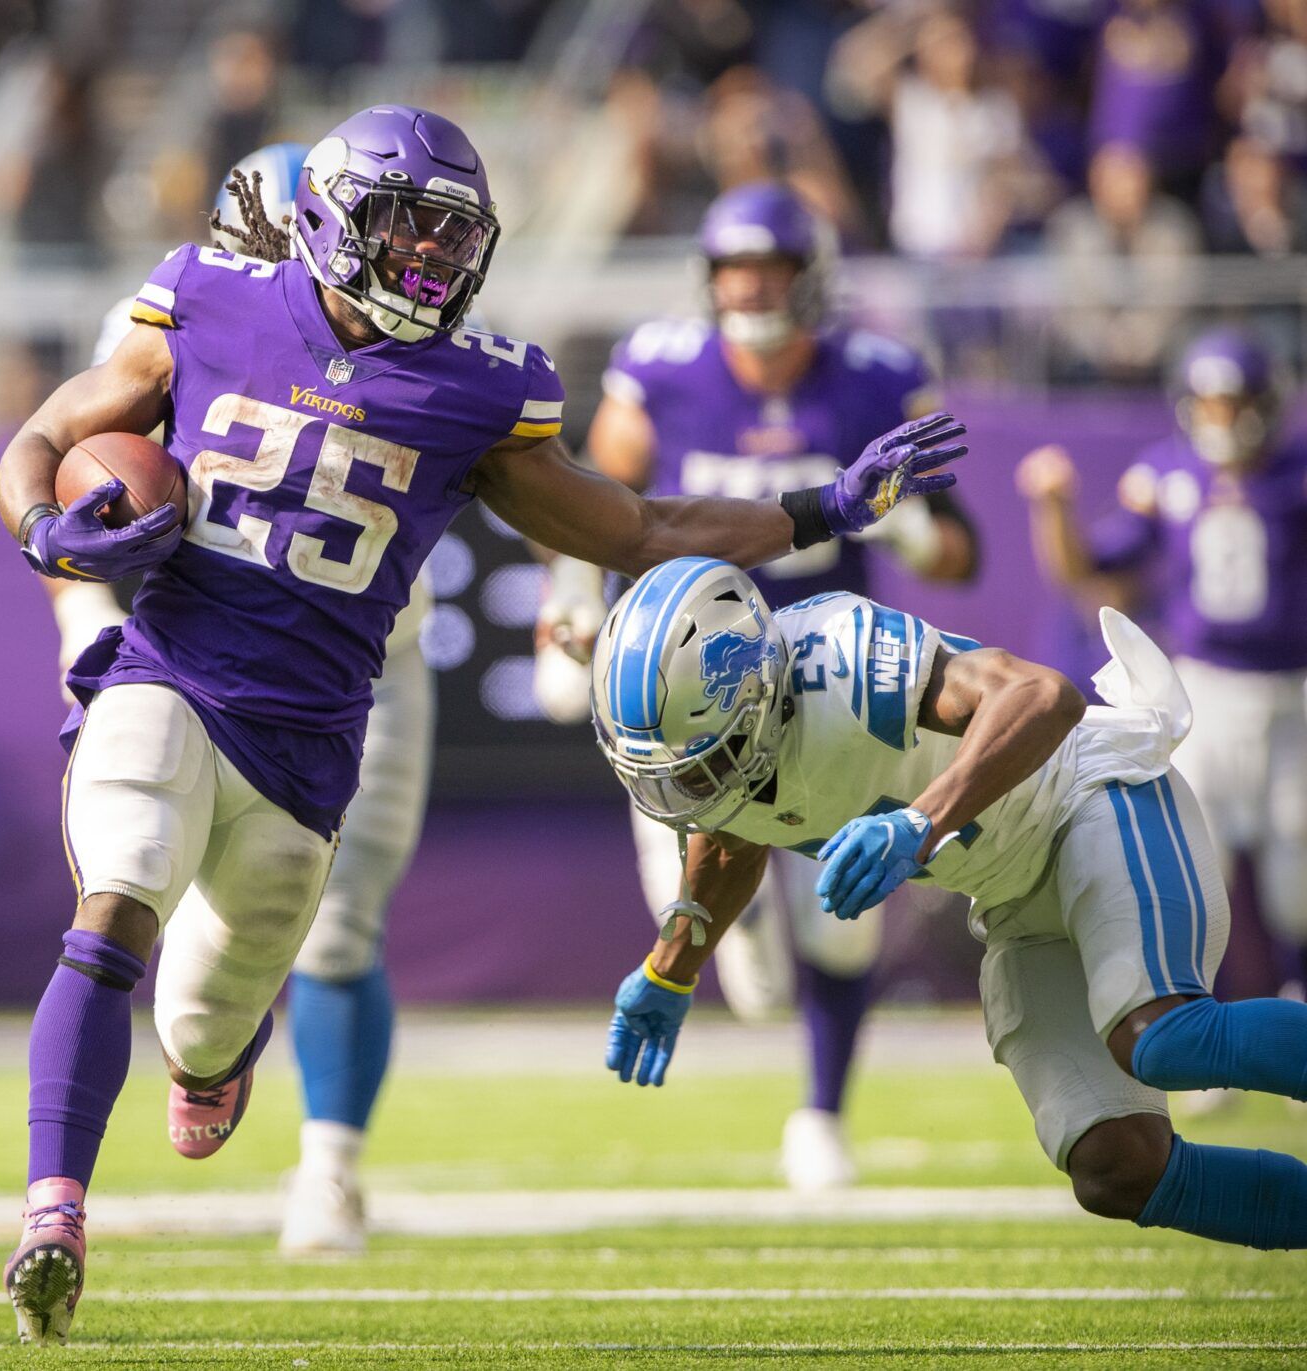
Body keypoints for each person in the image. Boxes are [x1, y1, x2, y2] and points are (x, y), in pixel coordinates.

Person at [0, 104, 969, 1345]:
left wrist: (825, 506)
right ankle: (54, 1212)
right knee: (114, 903)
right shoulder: (206, 299)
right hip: (169, 671)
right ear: (329, 220)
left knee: (203, 1022)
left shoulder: (476, 387)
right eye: (406, 227)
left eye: (451, 236)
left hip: (308, 745)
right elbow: (47, 436)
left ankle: (211, 1063)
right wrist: (44, 528)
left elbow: (640, 529)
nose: (430, 257)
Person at [592, 557, 1307, 1250]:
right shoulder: (727, 762)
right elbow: (728, 841)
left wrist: (921, 820)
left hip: (1089, 797)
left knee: (1163, 1039)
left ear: (754, 692)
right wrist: (668, 971)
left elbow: (1044, 697)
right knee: (1115, 1166)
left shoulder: (842, 660)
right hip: (1013, 893)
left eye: (701, 757)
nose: (688, 784)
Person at [548, 181, 978, 1190]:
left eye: (770, 269)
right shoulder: (662, 367)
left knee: (842, 918)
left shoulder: (876, 375)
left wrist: (914, 529)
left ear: (809, 279)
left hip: (827, 678)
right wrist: (571, 602)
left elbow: (962, 554)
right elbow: (594, 509)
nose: (750, 289)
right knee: (741, 964)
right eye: (734, 270)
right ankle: (734, 950)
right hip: (693, 685)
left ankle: (822, 1112)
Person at [58, 140, 425, 1255]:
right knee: (136, 881)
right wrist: (83, 613)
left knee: (338, 929)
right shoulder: (176, 316)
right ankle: (193, 1066)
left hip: (361, 667)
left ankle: (330, 1169)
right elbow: (83, 489)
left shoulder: (417, 329)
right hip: (194, 657)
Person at [1018, 328, 1307, 1001]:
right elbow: (1087, 569)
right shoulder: (1169, 473)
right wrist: (1053, 506)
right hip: (1204, 690)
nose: (1222, 420)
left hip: (1295, 690)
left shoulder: (1295, 473)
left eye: (1234, 404)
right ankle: (1207, 1019)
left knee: (1298, 874)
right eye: (1210, 404)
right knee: (1200, 867)